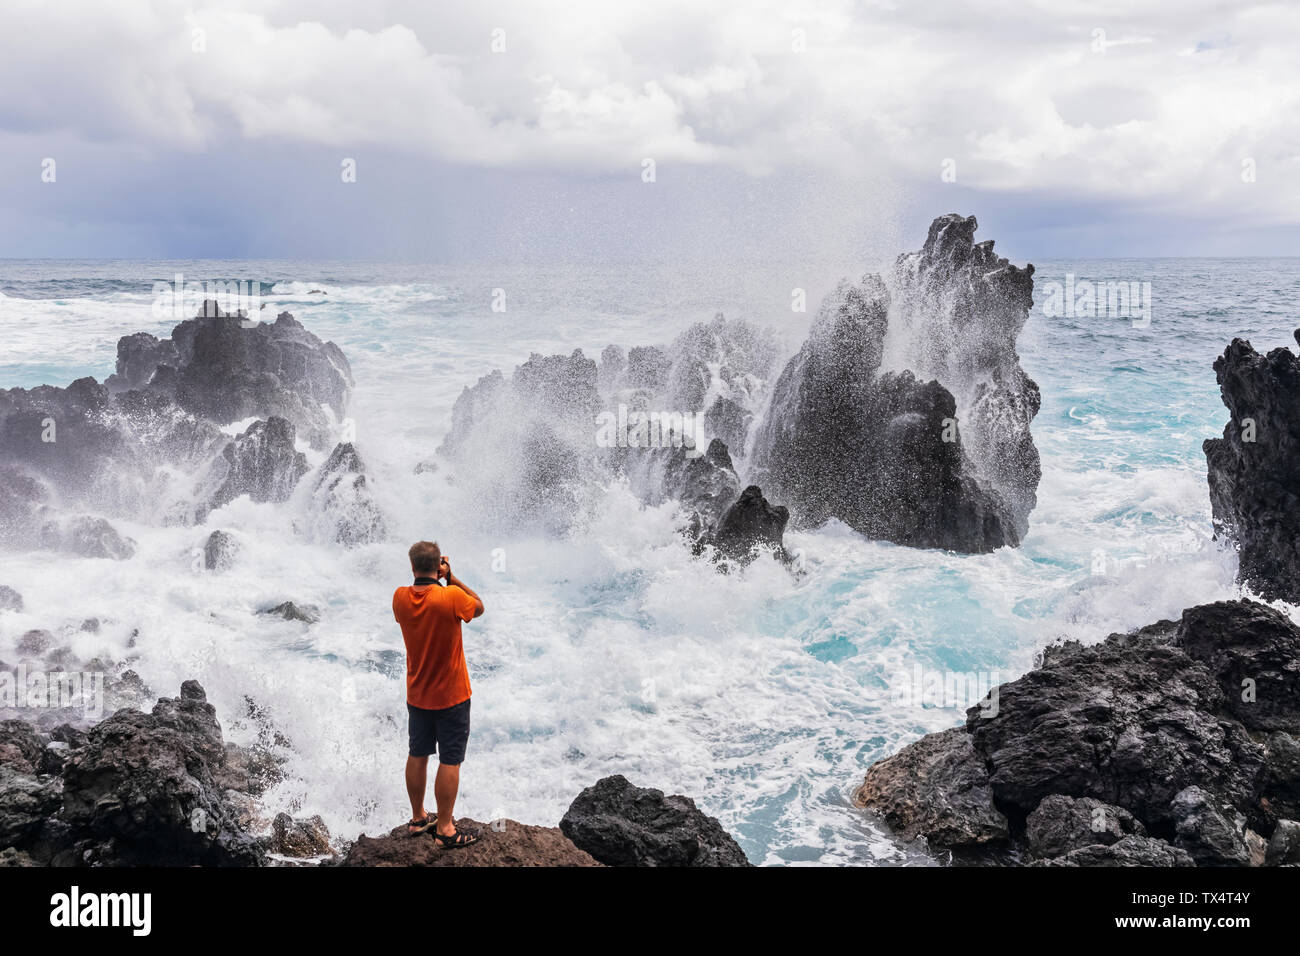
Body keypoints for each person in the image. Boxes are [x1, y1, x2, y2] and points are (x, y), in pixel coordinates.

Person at [392, 540, 484, 846]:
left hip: (418, 694)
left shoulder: (400, 598)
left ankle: (418, 817)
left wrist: (435, 577)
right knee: (450, 760)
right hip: (452, 696)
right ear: (438, 567)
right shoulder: (452, 597)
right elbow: (479, 606)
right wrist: (451, 577)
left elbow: (418, 598)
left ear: (412, 566)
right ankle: (445, 829)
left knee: (417, 753)